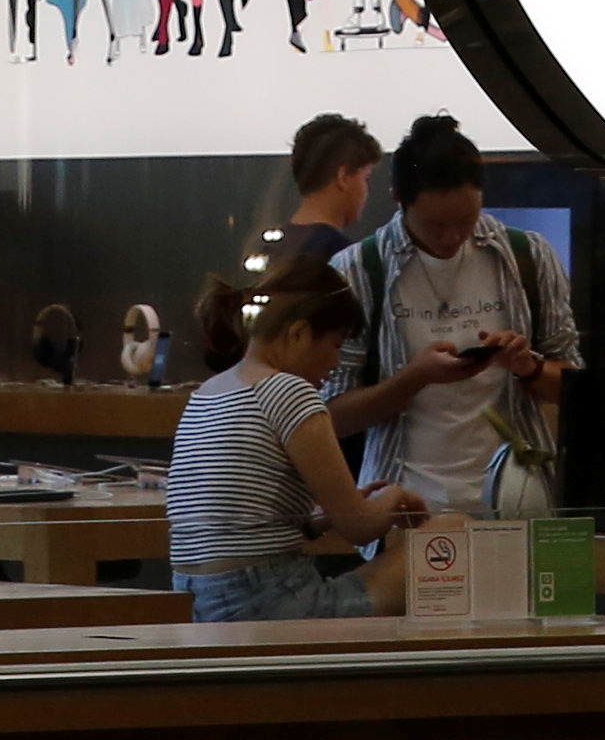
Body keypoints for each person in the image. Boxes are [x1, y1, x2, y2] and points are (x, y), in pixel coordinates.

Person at [323, 116, 577, 518]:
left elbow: (573, 388)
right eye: (435, 224)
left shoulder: (527, 255)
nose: (452, 237)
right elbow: (333, 416)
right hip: (404, 505)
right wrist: (415, 377)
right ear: (398, 199)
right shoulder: (357, 269)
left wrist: (528, 367)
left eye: (466, 219)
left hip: (518, 500)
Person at [170, 256, 427, 620]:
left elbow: (239, 522)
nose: (337, 362)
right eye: (337, 344)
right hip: (272, 603)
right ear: (299, 334)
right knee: (455, 530)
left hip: (198, 602)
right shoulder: (288, 391)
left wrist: (324, 518)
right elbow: (359, 527)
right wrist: (394, 497)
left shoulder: (209, 392)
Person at [269, 113, 384, 276]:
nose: (367, 191)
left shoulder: (270, 249)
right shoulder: (345, 260)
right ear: (343, 177)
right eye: (365, 178)